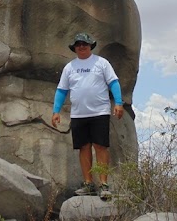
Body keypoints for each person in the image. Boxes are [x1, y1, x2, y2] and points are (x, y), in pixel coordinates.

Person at [51, 32, 124, 201]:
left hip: (99, 112)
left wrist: (118, 103)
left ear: (90, 45)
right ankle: (88, 184)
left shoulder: (101, 63)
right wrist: (56, 111)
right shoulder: (70, 67)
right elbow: (62, 90)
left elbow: (113, 82)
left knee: (100, 146)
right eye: (78, 44)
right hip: (78, 114)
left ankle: (104, 185)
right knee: (83, 147)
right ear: (74, 48)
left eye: (84, 43)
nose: (81, 46)